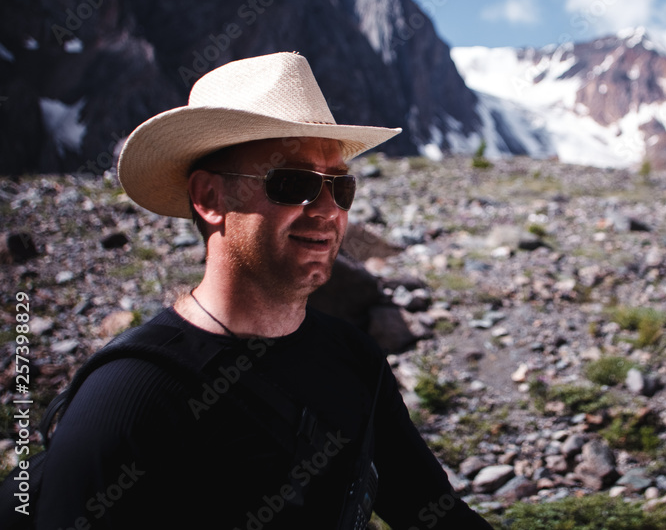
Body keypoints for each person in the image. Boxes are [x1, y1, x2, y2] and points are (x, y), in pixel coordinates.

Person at [36, 52, 493, 529]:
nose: (326, 210)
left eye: (341, 186)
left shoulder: (354, 357)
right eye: (292, 182)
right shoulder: (128, 398)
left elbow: (429, 511)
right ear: (210, 198)